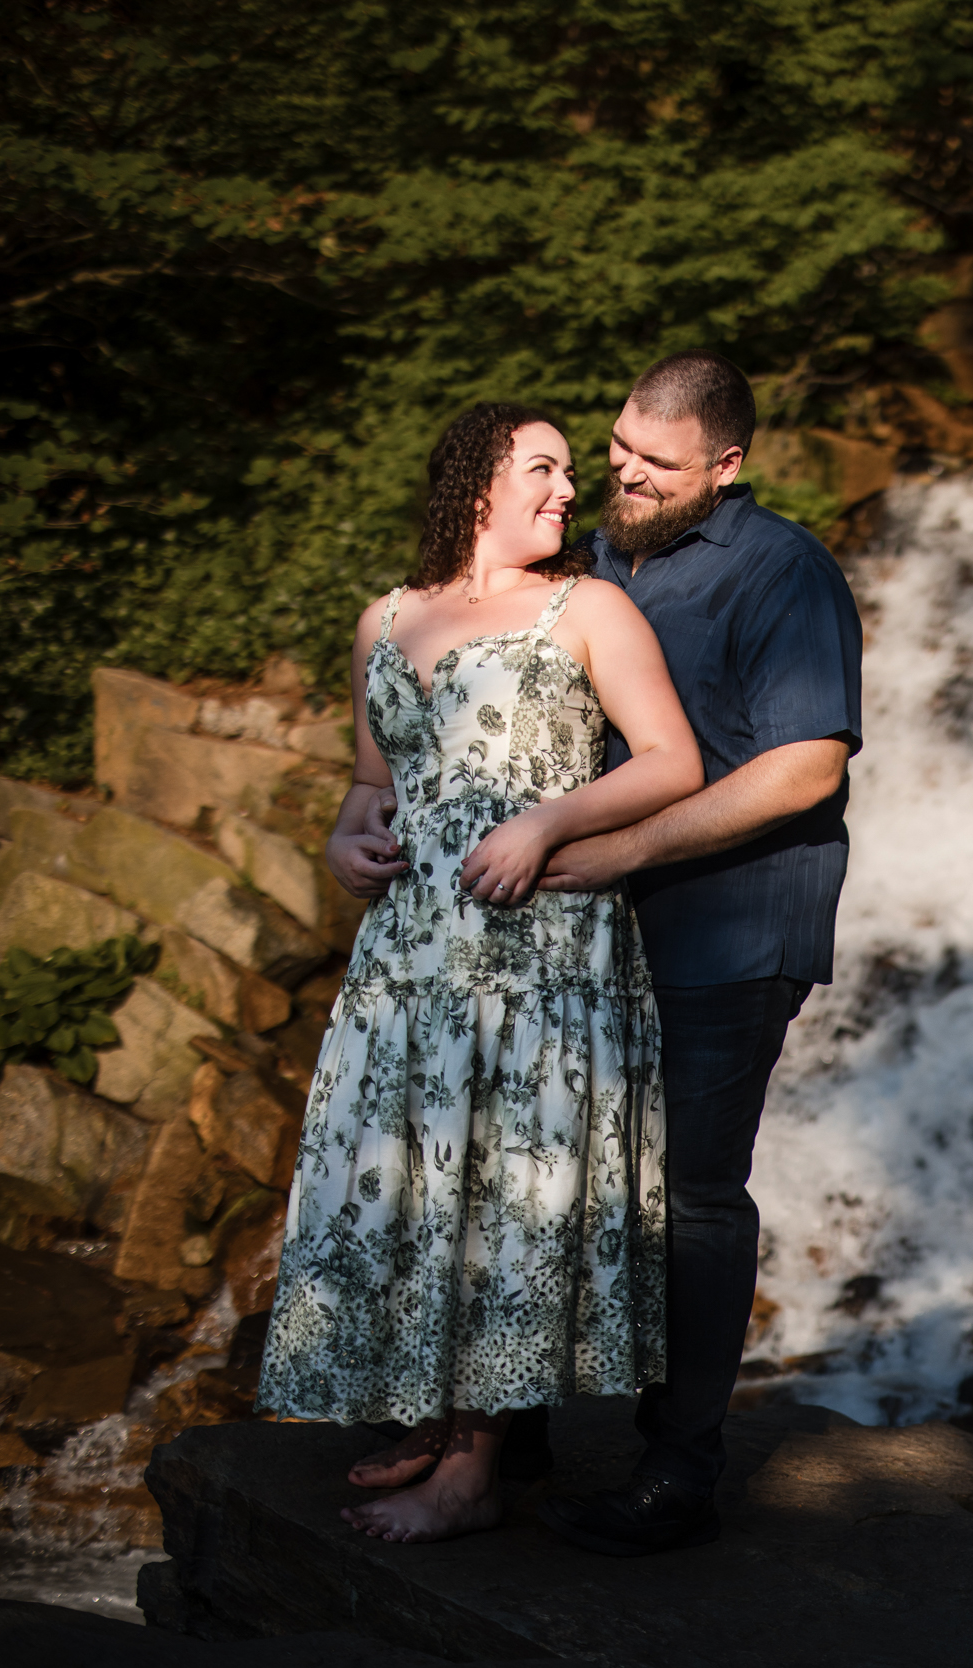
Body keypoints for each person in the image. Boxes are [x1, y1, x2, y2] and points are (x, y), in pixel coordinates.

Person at [338, 352, 863, 1555]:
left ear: (724, 468)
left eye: (653, 463)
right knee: (545, 1175)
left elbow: (804, 768)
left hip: (727, 925)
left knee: (685, 1198)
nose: (620, 472)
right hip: (567, 938)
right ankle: (501, 1427)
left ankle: (676, 1469)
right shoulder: (595, 556)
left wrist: (615, 851)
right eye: (615, 445)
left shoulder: (780, 568)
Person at [263, 403, 706, 1542]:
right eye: (544, 470)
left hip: (537, 952)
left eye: (569, 471)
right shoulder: (387, 619)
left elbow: (672, 761)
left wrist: (545, 825)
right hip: (409, 956)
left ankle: (470, 1475)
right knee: (416, 1180)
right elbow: (373, 785)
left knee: (507, 1197)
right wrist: (343, 842)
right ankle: (423, 1418)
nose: (569, 491)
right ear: (475, 484)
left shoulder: (588, 609)